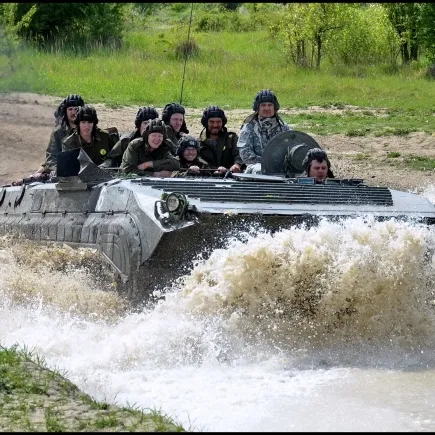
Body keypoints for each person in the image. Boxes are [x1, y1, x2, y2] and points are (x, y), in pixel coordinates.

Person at [237, 89, 291, 174]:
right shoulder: (248, 128)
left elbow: (292, 148)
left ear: (275, 108)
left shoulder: (284, 128)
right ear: (257, 108)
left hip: (281, 168)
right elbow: (245, 154)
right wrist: (267, 163)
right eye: (263, 105)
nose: (266, 108)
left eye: (270, 105)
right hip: (257, 168)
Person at [39, 94, 85, 174]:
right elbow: (51, 157)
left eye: (76, 109)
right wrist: (56, 171)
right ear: (65, 111)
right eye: (70, 109)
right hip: (64, 169)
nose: (73, 112)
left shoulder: (87, 128)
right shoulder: (58, 133)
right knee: (39, 173)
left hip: (85, 169)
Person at [198, 105, 244, 175]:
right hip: (207, 176)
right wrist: (214, 169)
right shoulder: (199, 142)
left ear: (223, 122)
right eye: (211, 122)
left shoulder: (231, 138)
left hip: (229, 175)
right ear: (206, 123)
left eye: (218, 122)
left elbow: (239, 154)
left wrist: (237, 165)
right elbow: (198, 159)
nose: (215, 125)